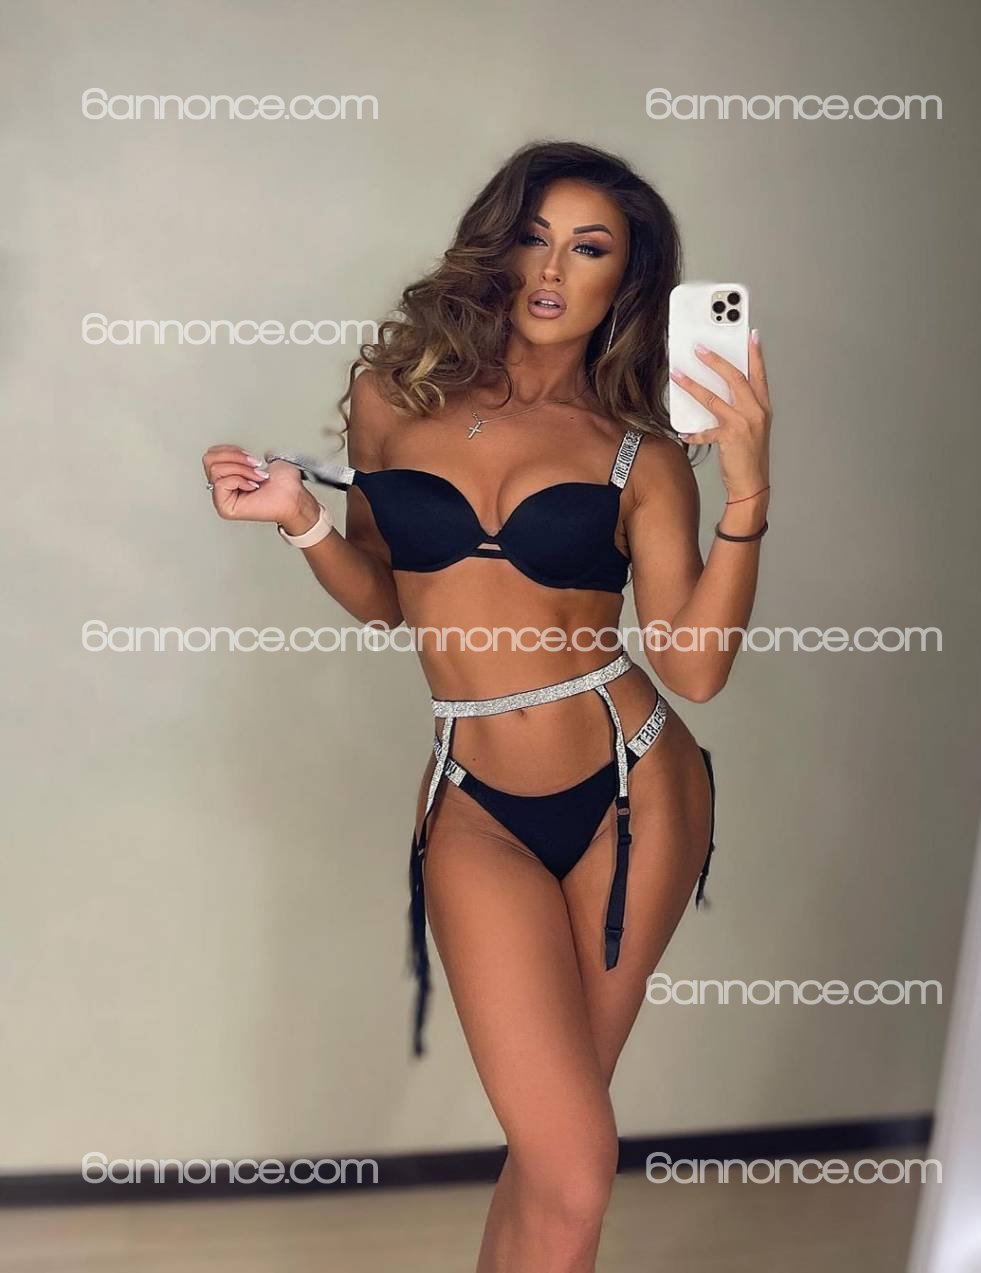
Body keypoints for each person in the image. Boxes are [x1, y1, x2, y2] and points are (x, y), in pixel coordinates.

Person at [202, 140, 771, 1273]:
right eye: (534, 237)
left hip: (630, 794)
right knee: (564, 1150)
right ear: (496, 248)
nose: (553, 269)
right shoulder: (392, 399)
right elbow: (388, 596)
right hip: (473, 800)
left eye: (589, 248)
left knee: (562, 1159)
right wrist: (298, 520)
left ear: (626, 280)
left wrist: (747, 487)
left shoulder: (638, 453)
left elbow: (695, 668)